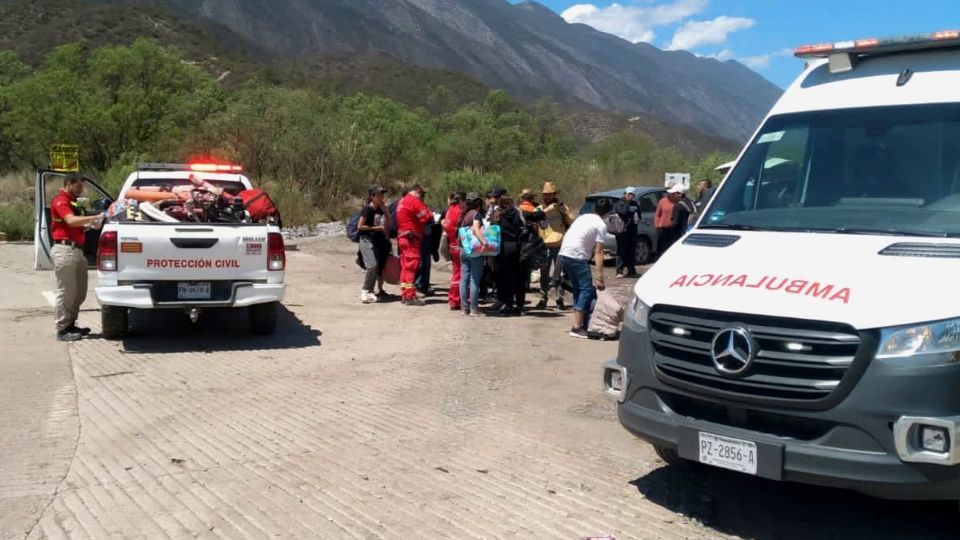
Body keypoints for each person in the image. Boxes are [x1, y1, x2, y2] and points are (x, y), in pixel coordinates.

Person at [50, 173, 104, 341]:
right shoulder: (61, 201)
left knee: (79, 292)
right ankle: (62, 328)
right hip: (65, 249)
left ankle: (71, 324)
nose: (81, 190)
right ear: (69, 184)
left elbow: (77, 225)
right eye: (79, 186)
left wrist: (90, 225)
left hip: (77, 250)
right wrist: (96, 217)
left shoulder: (74, 202)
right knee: (66, 292)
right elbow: (71, 221)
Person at [559, 197, 610, 339]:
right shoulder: (601, 225)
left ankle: (581, 323)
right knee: (586, 289)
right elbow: (599, 252)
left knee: (578, 288)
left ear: (594, 209)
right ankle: (576, 327)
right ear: (607, 213)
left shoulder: (583, 217)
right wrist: (600, 277)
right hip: (577, 256)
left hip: (564, 254)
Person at [535, 181, 572, 310]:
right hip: (544, 245)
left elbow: (571, 221)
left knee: (560, 274)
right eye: (546, 195)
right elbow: (534, 223)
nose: (548, 197)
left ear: (554, 195)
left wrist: (565, 213)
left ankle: (559, 299)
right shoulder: (539, 209)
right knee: (544, 274)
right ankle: (542, 298)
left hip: (559, 244)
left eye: (550, 194)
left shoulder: (562, 207)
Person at [395, 184, 432, 306]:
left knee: (405, 267)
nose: (421, 196)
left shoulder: (402, 201)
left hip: (402, 237)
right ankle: (410, 296)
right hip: (412, 238)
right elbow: (426, 217)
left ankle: (405, 294)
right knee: (411, 267)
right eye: (421, 194)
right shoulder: (414, 201)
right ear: (417, 191)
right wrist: (430, 213)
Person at [357, 185, 392, 303]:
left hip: (377, 241)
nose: (382, 197)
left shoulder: (380, 210)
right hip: (366, 239)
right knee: (372, 265)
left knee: (377, 266)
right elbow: (360, 226)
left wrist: (386, 210)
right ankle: (365, 291)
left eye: (382, 194)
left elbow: (388, 223)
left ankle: (370, 291)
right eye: (379, 195)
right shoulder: (367, 209)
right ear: (372, 196)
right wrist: (375, 228)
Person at [458, 193, 487, 317]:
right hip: (475, 250)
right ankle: (474, 309)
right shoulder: (476, 214)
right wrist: (484, 242)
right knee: (474, 279)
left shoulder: (465, 215)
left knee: (464, 279)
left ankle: (465, 308)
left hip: (464, 249)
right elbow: (476, 229)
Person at [441, 191, 465, 310]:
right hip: (460, 246)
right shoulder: (460, 212)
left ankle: (454, 299)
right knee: (462, 274)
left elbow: (445, 225)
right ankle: (460, 300)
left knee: (456, 274)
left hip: (452, 245)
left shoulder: (449, 211)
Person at [613, 187, 641, 278]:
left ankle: (631, 271)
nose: (630, 196)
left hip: (633, 229)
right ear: (625, 194)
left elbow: (639, 214)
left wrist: (637, 217)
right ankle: (619, 271)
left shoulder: (635, 203)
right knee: (622, 251)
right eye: (629, 194)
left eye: (632, 194)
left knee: (631, 250)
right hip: (622, 230)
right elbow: (623, 212)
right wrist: (627, 202)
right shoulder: (620, 202)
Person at [655, 183, 686, 255]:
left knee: (670, 248)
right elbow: (657, 214)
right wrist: (657, 226)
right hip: (662, 228)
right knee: (661, 248)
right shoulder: (662, 201)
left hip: (674, 229)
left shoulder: (680, 203)